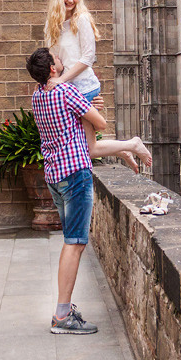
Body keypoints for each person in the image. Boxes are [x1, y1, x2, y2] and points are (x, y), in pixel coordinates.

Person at [28, 47, 132, 335]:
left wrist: (86, 105)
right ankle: (62, 316)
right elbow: (100, 123)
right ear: (52, 68)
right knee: (75, 243)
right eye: (56, 58)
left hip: (54, 176)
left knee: (70, 240)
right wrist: (94, 106)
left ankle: (64, 310)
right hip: (74, 174)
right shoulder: (67, 92)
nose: (62, 60)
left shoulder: (38, 96)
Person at [43, 0, 152, 170]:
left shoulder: (82, 19)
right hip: (68, 92)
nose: (71, 0)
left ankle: (132, 144)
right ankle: (122, 150)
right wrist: (52, 82)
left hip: (83, 88)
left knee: (90, 148)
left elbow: (87, 58)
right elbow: (55, 62)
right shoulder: (53, 25)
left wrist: (61, 81)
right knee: (84, 143)